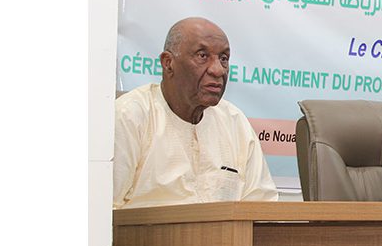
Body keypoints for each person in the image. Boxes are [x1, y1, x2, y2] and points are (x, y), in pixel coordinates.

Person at [114, 17, 279, 209]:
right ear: (168, 63)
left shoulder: (234, 121)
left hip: (224, 230)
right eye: (202, 56)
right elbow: (103, 210)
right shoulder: (130, 116)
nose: (218, 70)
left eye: (223, 59)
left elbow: (263, 207)